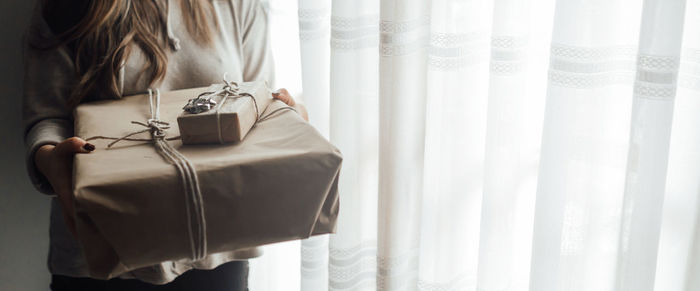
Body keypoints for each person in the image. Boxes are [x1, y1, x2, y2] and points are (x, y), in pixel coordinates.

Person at [23, 0, 306, 290]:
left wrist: (284, 118)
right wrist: (52, 160)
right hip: (104, 249)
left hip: (218, 247)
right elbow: (47, 118)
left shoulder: (240, 4)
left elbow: (256, 101)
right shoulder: (65, 7)